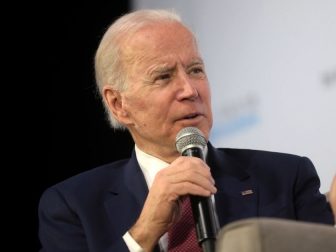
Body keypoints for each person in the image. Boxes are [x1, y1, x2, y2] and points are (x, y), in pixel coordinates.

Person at [39, 9, 334, 252]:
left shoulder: (285, 177)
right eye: (164, 77)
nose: (189, 90)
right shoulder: (72, 206)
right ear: (118, 104)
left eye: (195, 70)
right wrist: (143, 232)